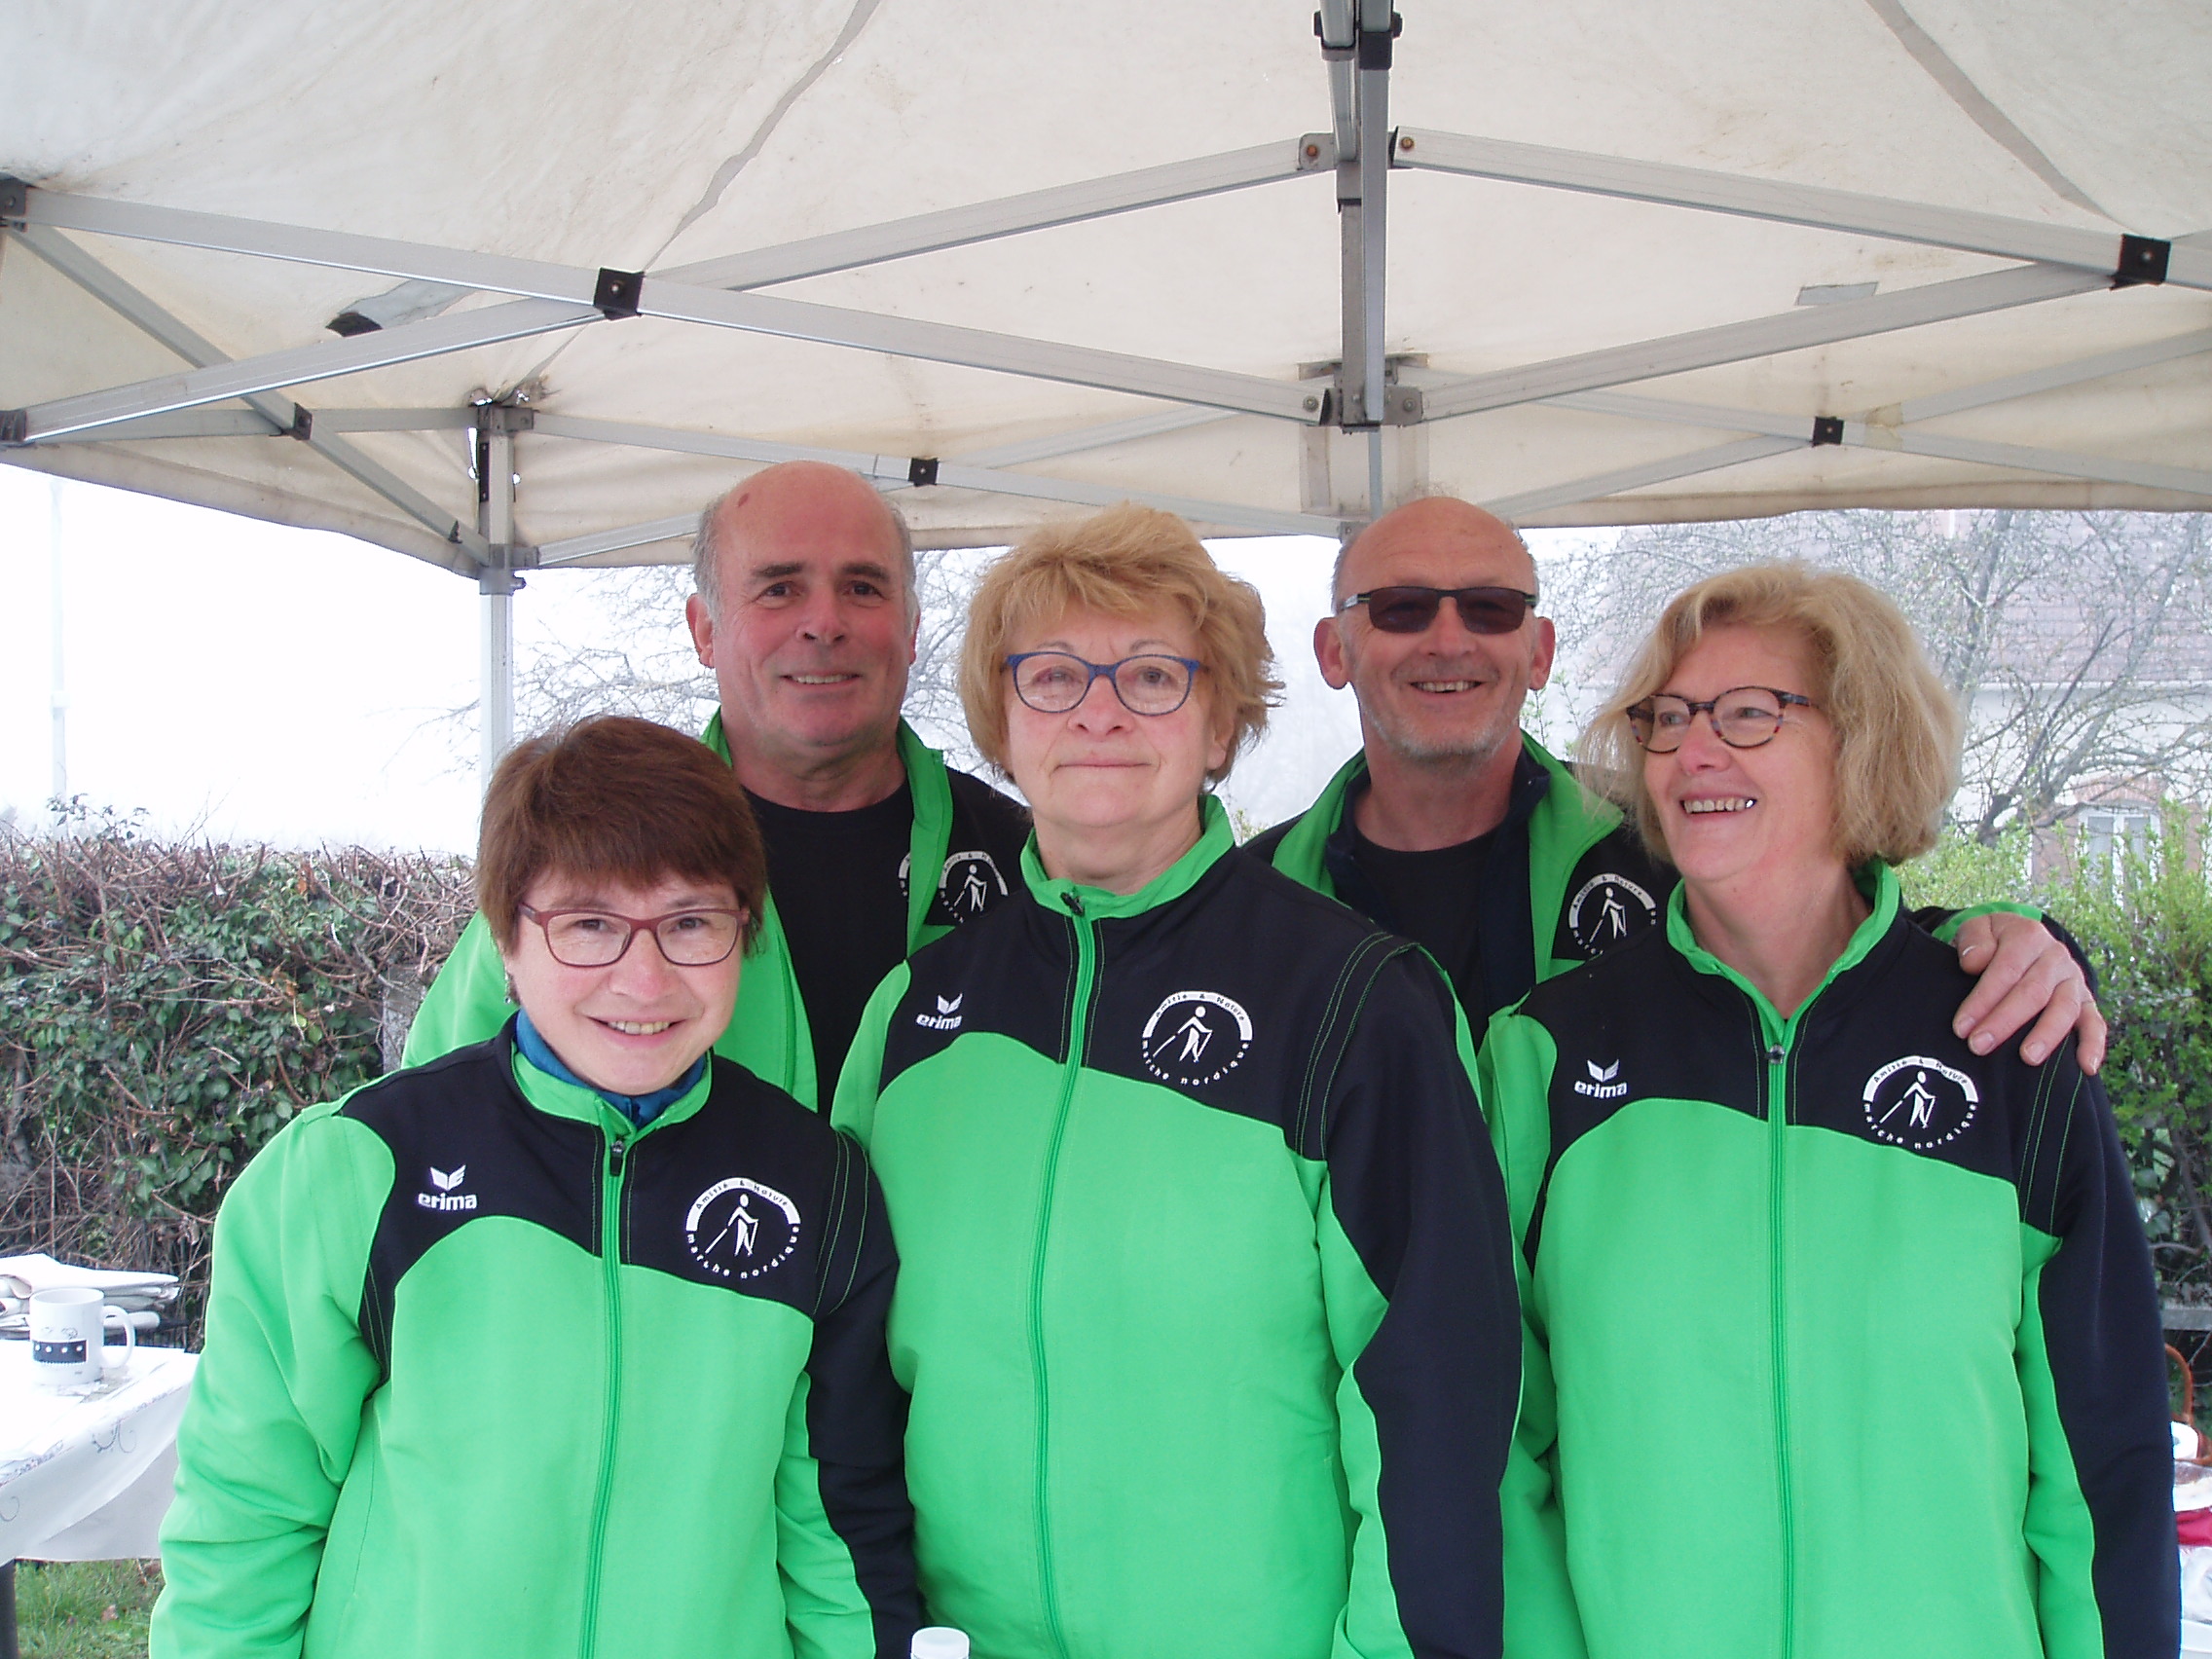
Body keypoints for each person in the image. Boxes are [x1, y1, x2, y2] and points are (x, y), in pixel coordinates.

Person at [833, 504, 1520, 1659]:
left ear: (1220, 726)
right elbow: (842, 1379)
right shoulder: (914, 1016)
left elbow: (1432, 1401)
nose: (1099, 710)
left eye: (1153, 675)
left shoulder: (1355, 1003)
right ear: (1002, 723)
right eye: (1052, 676)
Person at [1481, 566, 2174, 1659]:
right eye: (1668, 718)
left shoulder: (2010, 1042)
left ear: (1863, 741)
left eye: (1750, 713)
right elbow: (1494, 1443)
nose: (1694, 751)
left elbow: (2102, 1463)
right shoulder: (1548, 1055)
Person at [153, 717, 920, 1659]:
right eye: (589, 924)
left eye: (689, 923)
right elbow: (245, 1518)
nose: (643, 979)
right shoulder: (354, 1171)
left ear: (743, 934)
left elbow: (835, 1538)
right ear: (507, 941)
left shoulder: (819, 1187)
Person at [1249, 495, 2107, 1058]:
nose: (1448, 640)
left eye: (1490, 608)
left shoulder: (1669, 843)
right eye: (1400, 608)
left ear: (1538, 651)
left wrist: (2011, 937)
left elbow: (1844, 944)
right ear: (1334, 651)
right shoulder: (1251, 898)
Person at [404, 461, 1031, 1105]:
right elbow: (435, 1120)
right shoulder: (586, 848)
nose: (825, 623)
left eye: (864, 588)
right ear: (704, 630)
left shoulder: (1025, 865)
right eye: (780, 589)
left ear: (912, 629)